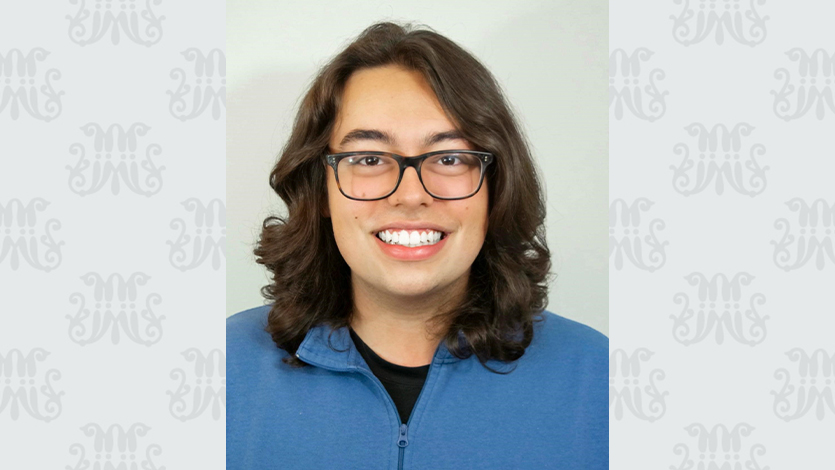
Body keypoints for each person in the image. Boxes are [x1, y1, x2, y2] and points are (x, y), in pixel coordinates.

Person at [227, 21, 607, 470]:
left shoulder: (601, 381)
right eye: (369, 158)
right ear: (320, 191)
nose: (410, 195)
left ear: (496, 188)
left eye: (449, 158)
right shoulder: (221, 368)